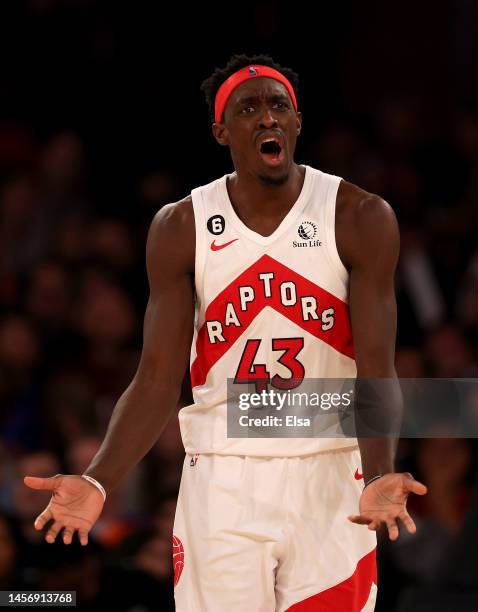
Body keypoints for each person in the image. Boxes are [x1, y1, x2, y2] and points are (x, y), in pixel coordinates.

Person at [24, 54, 427, 611]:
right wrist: (98, 481)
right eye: (249, 108)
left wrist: (380, 471)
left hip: (331, 471)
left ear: (297, 122)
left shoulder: (358, 216)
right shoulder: (181, 225)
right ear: (222, 131)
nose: (267, 118)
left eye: (279, 106)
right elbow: (157, 379)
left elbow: (378, 367)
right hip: (223, 475)